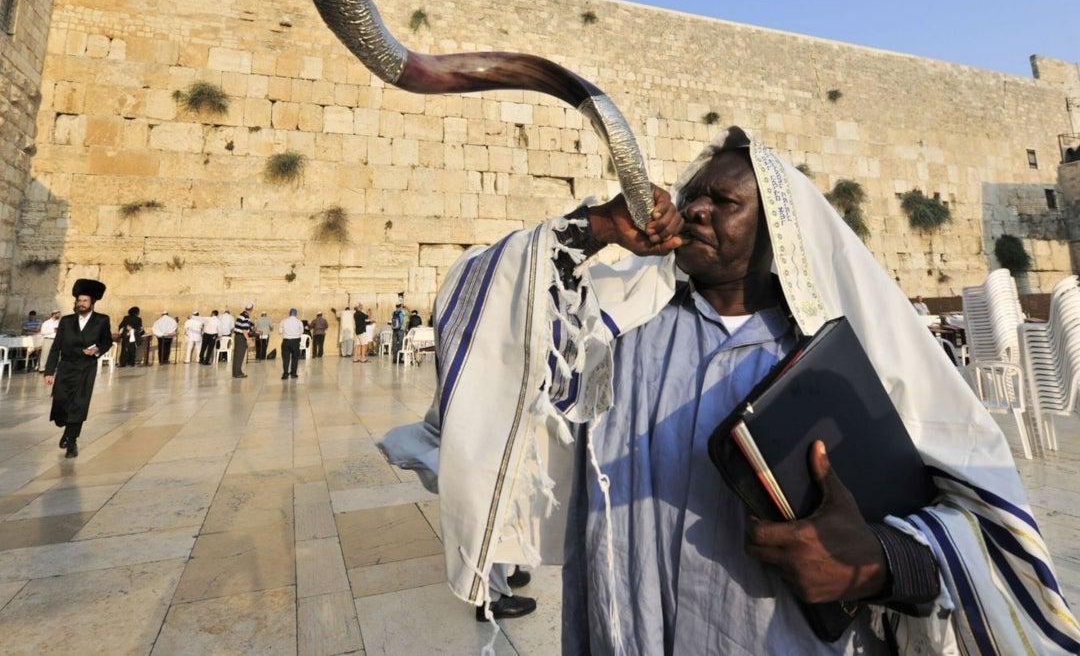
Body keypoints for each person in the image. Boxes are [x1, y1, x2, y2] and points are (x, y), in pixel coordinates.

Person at [386, 127, 1080, 653]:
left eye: (724, 201)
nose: (695, 211)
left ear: (778, 231)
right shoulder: (616, 333)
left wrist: (878, 563)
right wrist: (596, 228)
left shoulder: (846, 365)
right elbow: (479, 328)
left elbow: (988, 531)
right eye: (693, 196)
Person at [43, 279, 112, 458]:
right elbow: (56, 347)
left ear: (92, 303)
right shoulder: (66, 321)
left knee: (79, 405)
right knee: (60, 402)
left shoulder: (101, 320)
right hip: (66, 367)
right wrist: (49, 371)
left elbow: (106, 341)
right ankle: (66, 429)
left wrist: (97, 350)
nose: (81, 304)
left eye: (85, 301)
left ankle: (71, 440)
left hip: (85, 368)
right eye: (79, 301)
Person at [279, 307, 304, 380]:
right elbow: (302, 331)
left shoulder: (284, 321)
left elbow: (280, 331)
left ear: (289, 314)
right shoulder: (299, 322)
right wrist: (296, 334)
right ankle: (293, 373)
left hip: (286, 341)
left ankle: (285, 374)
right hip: (296, 341)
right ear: (296, 314)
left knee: (286, 358)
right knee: (295, 358)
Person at [232, 305, 253, 378]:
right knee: (240, 355)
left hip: (237, 337)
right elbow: (244, 330)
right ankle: (237, 373)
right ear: (251, 309)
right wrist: (248, 339)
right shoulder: (246, 316)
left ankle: (237, 371)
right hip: (241, 338)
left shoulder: (240, 315)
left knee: (237, 355)